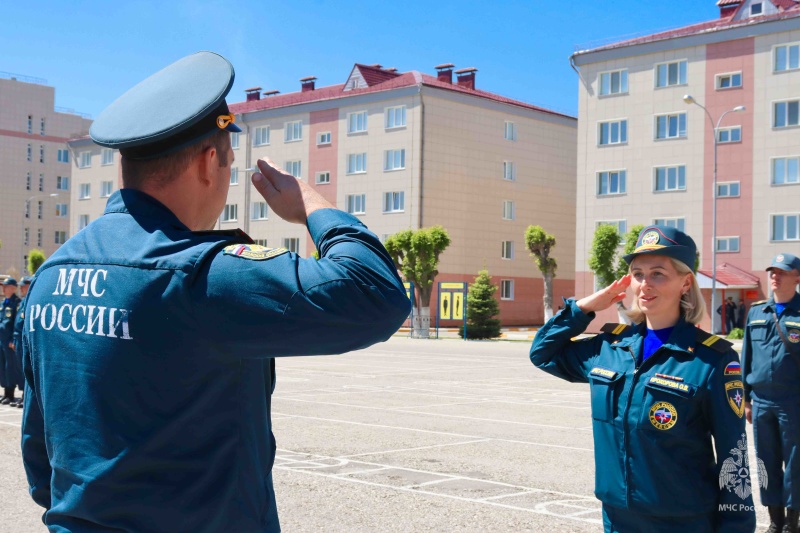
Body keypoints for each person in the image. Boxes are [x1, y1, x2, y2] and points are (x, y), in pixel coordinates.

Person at [20, 51, 410, 532]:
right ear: (209, 163)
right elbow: (374, 294)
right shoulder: (199, 272)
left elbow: (41, 457)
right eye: (228, 163)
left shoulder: (51, 275)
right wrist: (312, 203)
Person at [530, 225, 755, 533]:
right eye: (637, 274)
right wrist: (586, 307)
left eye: (658, 274)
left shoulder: (712, 359)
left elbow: (734, 454)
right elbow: (542, 353)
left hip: (683, 523)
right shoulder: (609, 349)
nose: (645, 284)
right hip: (618, 519)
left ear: (686, 283)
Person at [741, 253, 800, 533]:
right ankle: (774, 519)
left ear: (797, 278)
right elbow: (747, 357)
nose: (775, 276)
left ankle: (792, 521)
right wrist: (746, 398)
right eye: (772, 271)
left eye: (783, 272)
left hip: (794, 401)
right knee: (766, 462)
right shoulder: (756, 311)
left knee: (795, 463)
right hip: (761, 401)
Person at [9, 276, 31, 408]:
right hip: (17, 339)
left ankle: (25, 398)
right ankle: (23, 395)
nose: (21, 288)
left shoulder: (30, 300)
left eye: (23, 286)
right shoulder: (22, 302)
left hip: (24, 340)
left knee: (25, 370)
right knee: (19, 370)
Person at [0, 278, 21, 406]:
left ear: (13, 288)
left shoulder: (16, 303)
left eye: (6, 286)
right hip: (1, 340)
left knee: (10, 367)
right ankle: (6, 393)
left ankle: (11, 394)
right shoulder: (3, 303)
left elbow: (16, 323)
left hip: (9, 341)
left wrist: (13, 339)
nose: (3, 288)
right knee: (2, 367)